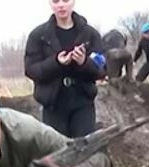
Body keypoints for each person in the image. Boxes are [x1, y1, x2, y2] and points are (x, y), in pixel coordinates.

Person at [25, 0, 105, 139]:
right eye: (56, 1)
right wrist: (56, 62)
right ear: (50, 3)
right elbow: (31, 70)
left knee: (84, 151)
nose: (61, 5)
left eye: (66, 0)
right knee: (59, 152)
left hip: (83, 102)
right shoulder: (38, 36)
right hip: (53, 104)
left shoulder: (90, 34)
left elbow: (102, 70)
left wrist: (84, 62)